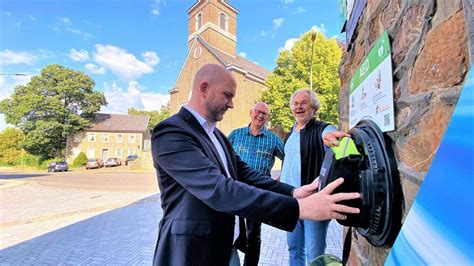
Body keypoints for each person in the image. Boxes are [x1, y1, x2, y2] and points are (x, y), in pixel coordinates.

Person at [151, 64, 359, 266]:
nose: (231, 104)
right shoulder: (171, 132)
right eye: (228, 95)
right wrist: (299, 207)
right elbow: (219, 189)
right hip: (192, 252)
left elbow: (245, 174)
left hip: (227, 247)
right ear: (204, 89)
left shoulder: (217, 135)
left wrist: (294, 192)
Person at [281, 88, 350, 266]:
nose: (298, 106)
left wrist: (331, 139)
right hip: (291, 201)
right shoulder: (291, 132)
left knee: (314, 254)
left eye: (304, 103)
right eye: (295, 103)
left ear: (314, 108)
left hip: (314, 202)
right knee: (294, 249)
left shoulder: (322, 128)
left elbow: (330, 136)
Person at [228, 102, 284, 266]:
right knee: (231, 230)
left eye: (264, 114)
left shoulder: (273, 139)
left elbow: (288, 157)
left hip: (258, 194)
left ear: (268, 117)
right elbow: (221, 155)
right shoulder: (236, 135)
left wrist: (280, 178)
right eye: (258, 112)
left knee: (254, 234)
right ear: (250, 113)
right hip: (235, 191)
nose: (260, 116)